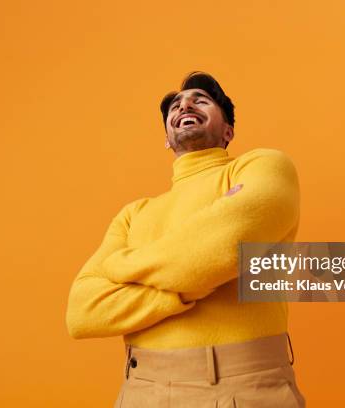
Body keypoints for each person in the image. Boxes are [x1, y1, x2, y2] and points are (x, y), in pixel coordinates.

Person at [66, 71, 305, 407]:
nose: (185, 104)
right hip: (141, 390)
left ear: (228, 130)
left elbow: (228, 246)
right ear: (166, 137)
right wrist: (190, 285)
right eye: (175, 105)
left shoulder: (261, 166)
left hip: (246, 386)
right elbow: (83, 312)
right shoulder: (135, 212)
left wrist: (122, 265)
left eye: (201, 100)